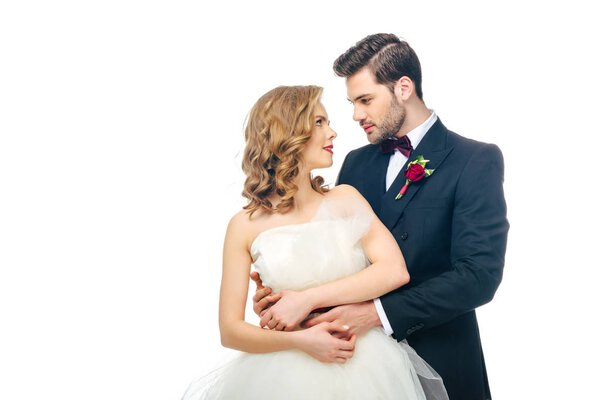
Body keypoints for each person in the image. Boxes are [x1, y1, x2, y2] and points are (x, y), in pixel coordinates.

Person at [252, 34, 509, 400]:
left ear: (404, 87)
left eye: (365, 100)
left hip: (443, 359)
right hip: (352, 366)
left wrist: (378, 314)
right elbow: (333, 256)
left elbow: (478, 276)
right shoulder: (355, 163)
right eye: (352, 102)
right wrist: (283, 296)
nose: (356, 115)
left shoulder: (474, 159)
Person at [182, 85, 448, 399]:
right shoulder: (243, 226)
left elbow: (393, 270)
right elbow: (230, 330)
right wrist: (302, 341)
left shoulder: (346, 199)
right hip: (283, 375)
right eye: (319, 122)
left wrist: (305, 300)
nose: (333, 132)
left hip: (366, 365)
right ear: (287, 132)